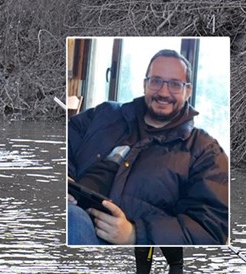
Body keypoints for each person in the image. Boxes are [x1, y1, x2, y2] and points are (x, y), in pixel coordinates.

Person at [67, 49, 229, 245]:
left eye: (175, 85)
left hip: (116, 248)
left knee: (72, 218)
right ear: (145, 84)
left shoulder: (206, 152)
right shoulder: (104, 114)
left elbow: (212, 229)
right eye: (156, 81)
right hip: (68, 208)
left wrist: (136, 235)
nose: (163, 92)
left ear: (188, 91)